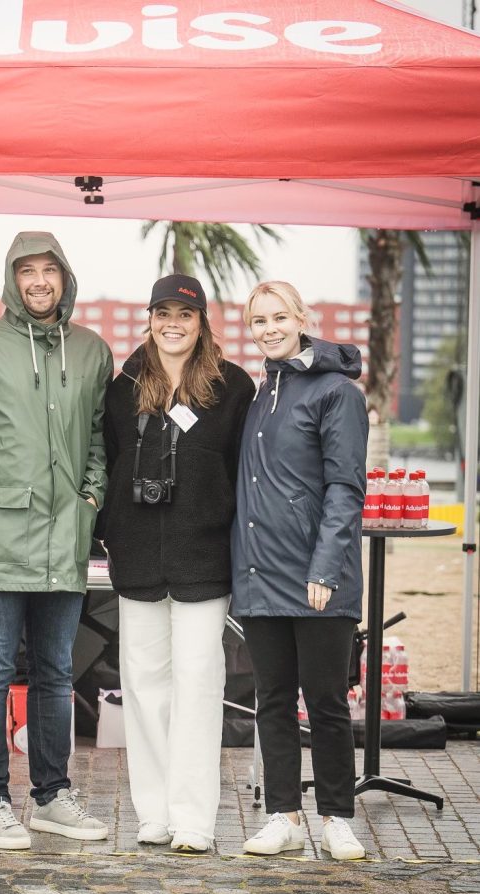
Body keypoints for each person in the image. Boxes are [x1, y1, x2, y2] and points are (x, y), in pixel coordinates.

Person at [0, 231, 113, 850]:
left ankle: (53, 797)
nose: (38, 281)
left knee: (57, 674)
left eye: (48, 270)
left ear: (65, 277)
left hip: (65, 538)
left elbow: (99, 440)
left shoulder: (91, 351)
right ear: (12, 279)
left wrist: (91, 499)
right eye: (26, 271)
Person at [98, 274, 254, 853]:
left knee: (198, 684)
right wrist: (108, 530)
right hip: (137, 557)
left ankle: (193, 819)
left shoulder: (232, 387)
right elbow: (108, 463)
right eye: (162, 313)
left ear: (201, 322)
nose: (173, 324)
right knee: (143, 688)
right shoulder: (123, 387)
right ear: (150, 319)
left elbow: (243, 473)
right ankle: (154, 813)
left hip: (204, 559)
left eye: (184, 315)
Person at [232, 280, 368, 861]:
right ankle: (283, 816)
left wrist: (325, 568)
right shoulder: (263, 392)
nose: (270, 329)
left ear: (302, 319)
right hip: (260, 574)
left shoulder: (336, 392)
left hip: (319, 579)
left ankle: (337, 816)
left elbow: (345, 488)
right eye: (259, 321)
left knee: (327, 702)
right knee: (273, 700)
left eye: (279, 317)